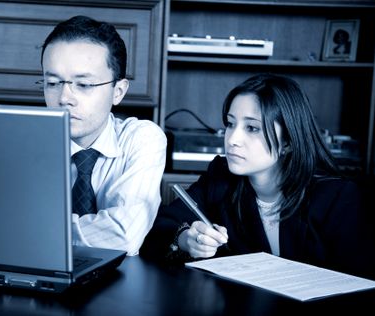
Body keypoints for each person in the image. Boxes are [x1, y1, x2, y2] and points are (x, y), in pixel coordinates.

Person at [140, 73, 374, 279]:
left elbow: (358, 283)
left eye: (252, 128)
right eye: (230, 124)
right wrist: (186, 239)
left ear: (288, 142)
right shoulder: (220, 178)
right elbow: (160, 227)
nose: (232, 139)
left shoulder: (337, 197)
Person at [39, 15, 167, 255]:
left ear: (117, 91)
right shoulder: (23, 142)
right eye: (53, 83)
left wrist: (37, 232)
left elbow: (123, 236)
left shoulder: (141, 139)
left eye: (84, 85)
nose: (64, 98)